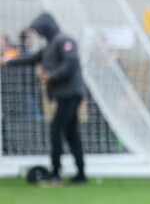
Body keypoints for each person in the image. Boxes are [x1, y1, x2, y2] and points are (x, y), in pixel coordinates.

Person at [0, 13, 86, 186]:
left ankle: (55, 173)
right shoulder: (49, 47)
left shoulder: (64, 41)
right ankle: (80, 174)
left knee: (56, 130)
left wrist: (51, 75)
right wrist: (8, 62)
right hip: (64, 96)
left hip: (70, 95)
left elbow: (70, 62)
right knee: (71, 134)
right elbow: (31, 60)